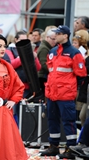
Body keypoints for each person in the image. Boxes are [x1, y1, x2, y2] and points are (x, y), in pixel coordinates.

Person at [39, 25, 87, 159]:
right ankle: (53, 146)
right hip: (52, 93)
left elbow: (81, 75)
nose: (55, 36)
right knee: (52, 120)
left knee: (68, 121)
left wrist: (70, 88)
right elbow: (50, 72)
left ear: (65, 36)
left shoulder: (74, 53)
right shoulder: (53, 51)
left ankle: (70, 148)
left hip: (66, 94)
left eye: (58, 33)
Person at [37, 28, 57, 96]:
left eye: (56, 39)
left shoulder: (47, 47)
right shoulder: (44, 49)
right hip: (43, 77)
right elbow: (44, 65)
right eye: (53, 39)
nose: (55, 41)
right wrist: (55, 70)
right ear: (47, 37)